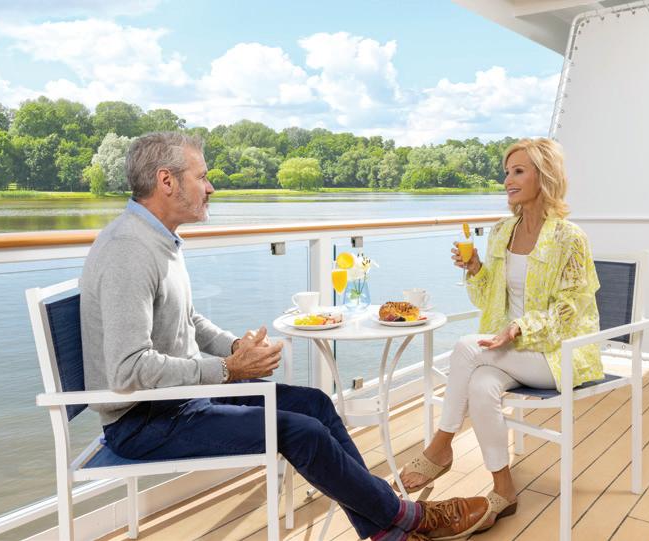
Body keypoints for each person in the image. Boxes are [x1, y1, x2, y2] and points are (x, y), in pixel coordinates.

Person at [80, 132, 492, 541]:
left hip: (184, 399)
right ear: (166, 181)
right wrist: (227, 369)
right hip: (146, 422)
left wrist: (234, 348)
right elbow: (127, 370)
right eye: (201, 176)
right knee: (301, 432)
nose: (210, 187)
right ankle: (409, 517)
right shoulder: (128, 250)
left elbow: (187, 320)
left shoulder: (158, 240)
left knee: (315, 405)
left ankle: (385, 533)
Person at [397, 138, 602, 530]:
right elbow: (487, 298)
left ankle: (440, 446)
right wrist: (476, 268)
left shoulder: (569, 237)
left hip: (557, 353)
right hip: (511, 349)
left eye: (518, 171)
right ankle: (504, 489)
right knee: (481, 385)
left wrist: (519, 327)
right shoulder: (502, 231)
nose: (508, 180)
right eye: (507, 172)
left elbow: (571, 308)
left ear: (545, 176)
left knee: (465, 348)